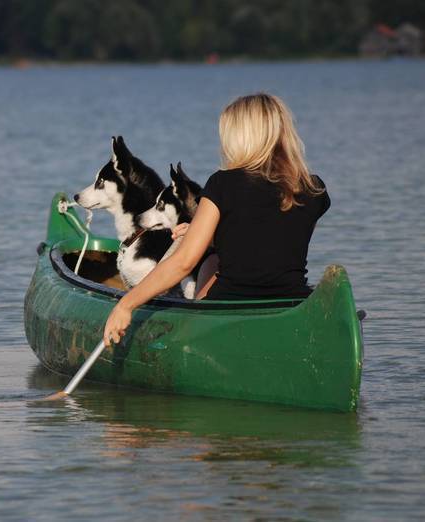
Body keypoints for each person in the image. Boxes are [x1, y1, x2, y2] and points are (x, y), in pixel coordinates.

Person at [103, 93, 330, 345]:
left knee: (211, 260)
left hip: (228, 311)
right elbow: (271, 235)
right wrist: (204, 231)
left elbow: (183, 263)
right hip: (291, 306)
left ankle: (194, 331)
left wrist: (126, 304)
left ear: (240, 138)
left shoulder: (223, 184)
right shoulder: (313, 188)